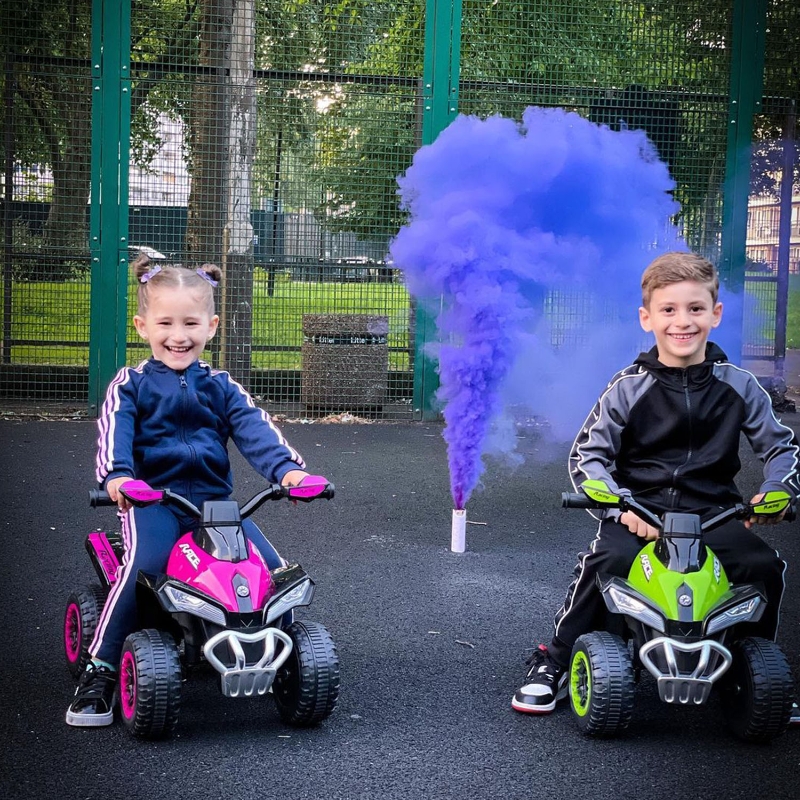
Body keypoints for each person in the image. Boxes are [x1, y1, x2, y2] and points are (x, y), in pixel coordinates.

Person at [511, 251, 800, 715]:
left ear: (715, 314)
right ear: (647, 318)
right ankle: (556, 660)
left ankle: (756, 673)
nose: (682, 321)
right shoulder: (628, 386)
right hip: (640, 511)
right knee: (608, 559)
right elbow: (588, 456)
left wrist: (780, 489)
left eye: (695, 308)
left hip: (715, 513)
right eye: (668, 310)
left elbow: (781, 447)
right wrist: (616, 506)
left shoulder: (739, 385)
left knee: (761, 565)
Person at [67, 255, 315, 727]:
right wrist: (118, 477)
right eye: (165, 323)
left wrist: (288, 473)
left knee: (271, 573)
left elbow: (255, 429)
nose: (178, 335)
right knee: (141, 570)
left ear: (211, 327)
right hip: (152, 502)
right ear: (142, 326)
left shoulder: (222, 386)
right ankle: (100, 669)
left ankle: (281, 657)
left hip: (216, 507)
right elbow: (115, 433)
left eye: (190, 323)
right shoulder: (131, 384)